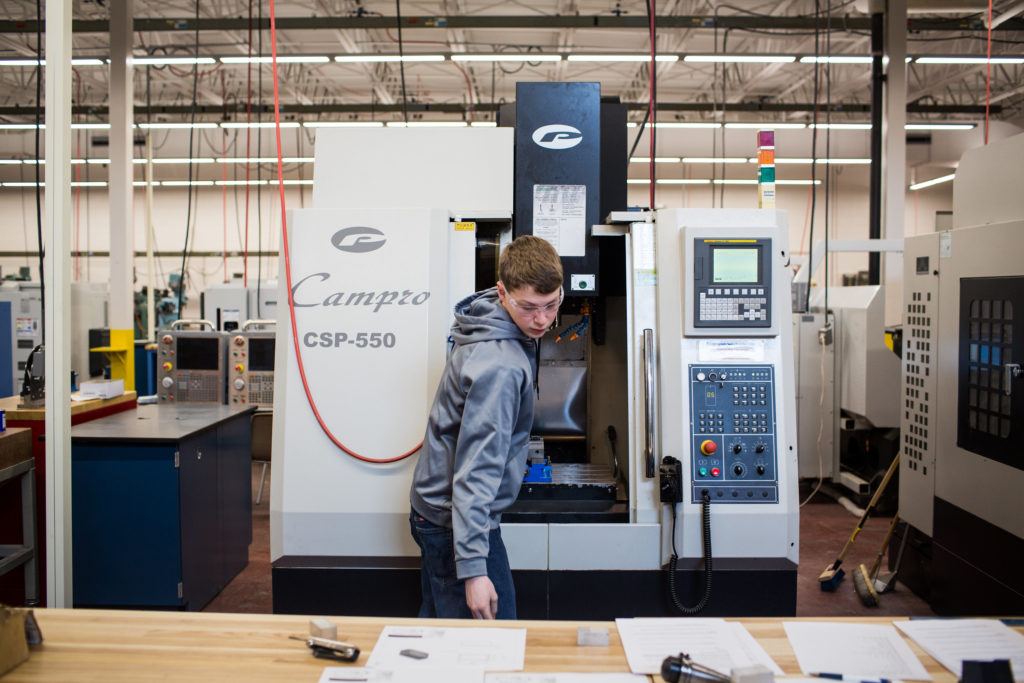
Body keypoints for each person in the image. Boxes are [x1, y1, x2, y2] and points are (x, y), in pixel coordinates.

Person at [409, 235, 564, 620]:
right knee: (490, 649)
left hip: (438, 512)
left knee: (441, 638)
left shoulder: (488, 318)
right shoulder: (501, 365)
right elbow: (475, 472)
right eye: (529, 308)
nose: (542, 319)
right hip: (454, 522)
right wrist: (475, 569)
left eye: (552, 304)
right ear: (503, 292)